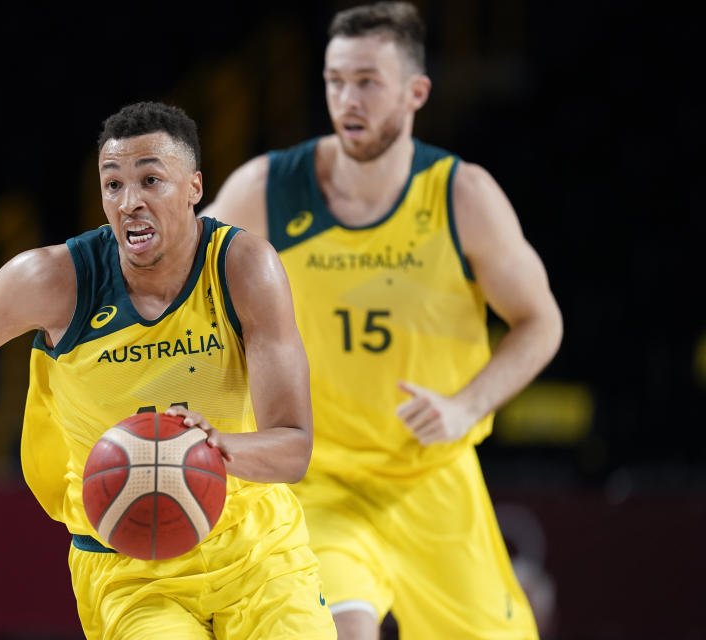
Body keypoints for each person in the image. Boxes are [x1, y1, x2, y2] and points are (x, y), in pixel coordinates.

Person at [0, 101, 336, 640]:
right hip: (126, 562)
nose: (130, 203)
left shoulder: (242, 268)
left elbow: (293, 448)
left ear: (194, 187)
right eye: (113, 184)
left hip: (256, 548)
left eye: (151, 180)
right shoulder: (56, 281)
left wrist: (219, 448)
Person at [200, 3, 563, 639]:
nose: (347, 98)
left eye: (367, 81)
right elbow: (184, 299)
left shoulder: (463, 197)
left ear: (416, 92)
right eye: (335, 80)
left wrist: (465, 405)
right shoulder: (265, 191)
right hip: (317, 480)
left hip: (433, 480)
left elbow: (541, 322)